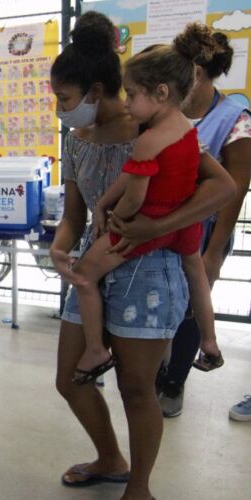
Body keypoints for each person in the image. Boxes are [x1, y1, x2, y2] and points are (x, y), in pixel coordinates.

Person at [48, 12, 235, 499]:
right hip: (96, 259)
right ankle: (110, 457)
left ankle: (140, 487)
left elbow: (221, 186)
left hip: (150, 267)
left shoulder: (156, 127)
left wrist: (158, 225)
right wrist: (60, 244)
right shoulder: (75, 140)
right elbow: (76, 212)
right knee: (71, 379)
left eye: (63, 99)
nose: (59, 110)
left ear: (94, 91)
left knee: (137, 388)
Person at [51, 37, 223, 385]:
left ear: (160, 93)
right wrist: (98, 206)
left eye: (133, 93)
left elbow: (133, 193)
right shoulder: (186, 130)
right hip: (182, 230)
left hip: (142, 230)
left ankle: (97, 349)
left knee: (84, 274)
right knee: (197, 273)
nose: (129, 102)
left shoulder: (147, 137)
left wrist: (121, 219)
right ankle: (210, 341)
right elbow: (129, 179)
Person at [127, 24, 251, 418]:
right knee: (161, 298)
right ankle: (152, 372)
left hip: (204, 228)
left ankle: (176, 379)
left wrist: (214, 251)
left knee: (192, 303)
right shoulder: (158, 112)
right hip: (158, 224)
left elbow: (233, 190)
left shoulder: (235, 118)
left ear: (196, 73)